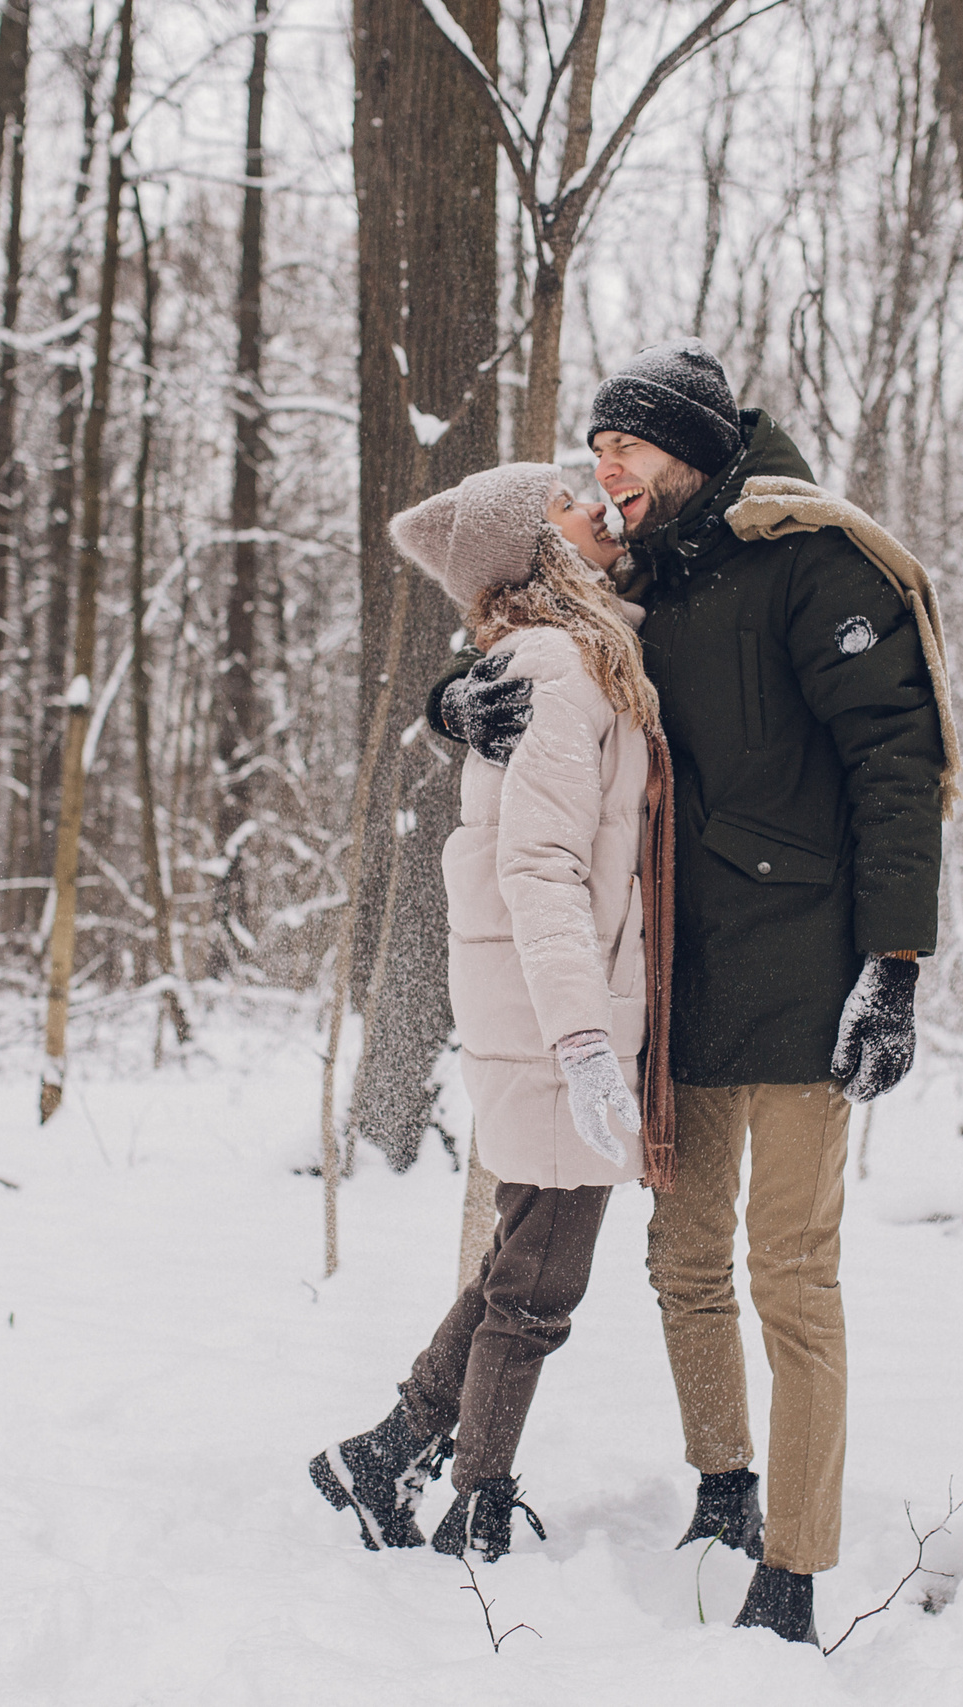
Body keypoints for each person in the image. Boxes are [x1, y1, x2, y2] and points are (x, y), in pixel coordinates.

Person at [431, 342, 953, 1643]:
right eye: (597, 442)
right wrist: (456, 699)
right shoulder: (648, 580)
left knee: (791, 1272)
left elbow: (897, 755)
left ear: (703, 453)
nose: (605, 464)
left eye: (632, 443)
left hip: (809, 979)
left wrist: (893, 966)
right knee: (681, 1263)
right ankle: (725, 1486)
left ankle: (796, 1560)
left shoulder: (814, 559)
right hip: (678, 985)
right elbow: (551, 664)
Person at [310, 463, 674, 1562]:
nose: (599, 505)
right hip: (558, 1011)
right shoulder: (562, 665)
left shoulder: (570, 651)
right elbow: (543, 864)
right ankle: (475, 1506)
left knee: (522, 1255)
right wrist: (585, 1040)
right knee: (539, 1285)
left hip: (545, 1002)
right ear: (536, 550)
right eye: (571, 499)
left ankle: (386, 1454)